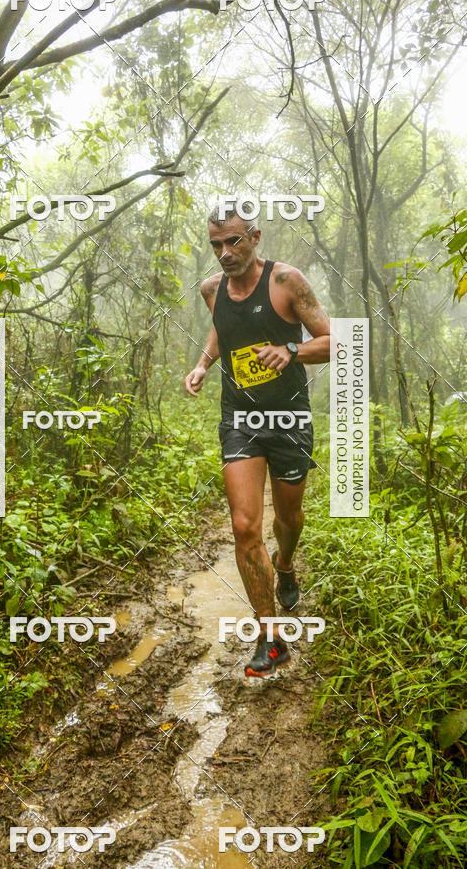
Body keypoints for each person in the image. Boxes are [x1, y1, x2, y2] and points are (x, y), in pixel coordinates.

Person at [184, 204, 330, 676]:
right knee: (245, 527)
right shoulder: (211, 290)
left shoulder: (287, 282)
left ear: (255, 237)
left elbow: (335, 341)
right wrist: (204, 363)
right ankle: (270, 638)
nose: (224, 253)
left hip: (289, 419)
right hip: (240, 418)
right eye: (216, 246)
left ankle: (285, 564)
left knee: (288, 518)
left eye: (234, 242)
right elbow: (222, 330)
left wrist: (291, 350)